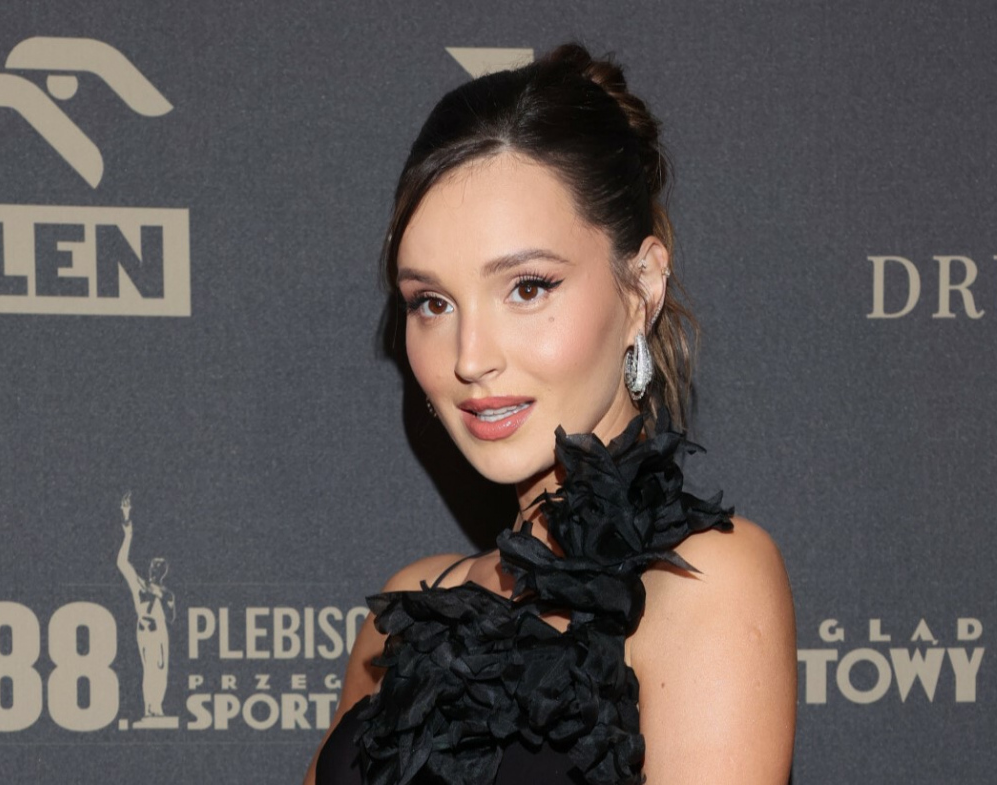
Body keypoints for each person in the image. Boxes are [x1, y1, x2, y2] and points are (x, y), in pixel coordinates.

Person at [306, 43, 796, 784]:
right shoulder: (402, 615)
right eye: (432, 303)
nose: (471, 357)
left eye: (528, 287)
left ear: (642, 286)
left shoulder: (707, 581)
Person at [116, 491, 177, 721]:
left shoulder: (164, 592)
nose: (155, 569)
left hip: (159, 631)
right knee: (150, 668)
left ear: (163, 572)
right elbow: (122, 562)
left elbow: (171, 617)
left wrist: (165, 600)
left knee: (160, 668)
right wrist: (127, 528)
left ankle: (155, 707)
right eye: (154, 565)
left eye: (159, 567)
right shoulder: (139, 584)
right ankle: (150, 708)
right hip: (145, 629)